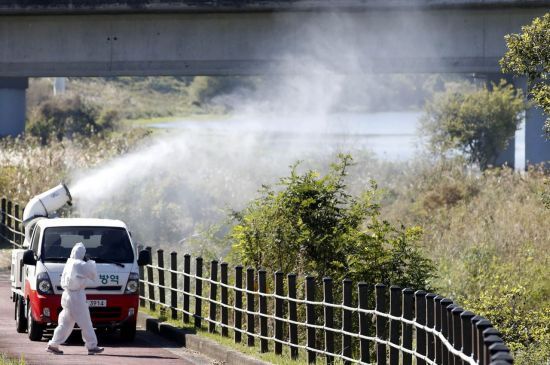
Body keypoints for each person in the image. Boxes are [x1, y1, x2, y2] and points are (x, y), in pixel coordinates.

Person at [46, 242, 104, 355]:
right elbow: (95, 278)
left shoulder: (69, 262)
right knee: (86, 322)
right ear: (82, 253)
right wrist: (90, 262)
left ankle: (53, 345)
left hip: (67, 295)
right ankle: (92, 345)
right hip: (76, 297)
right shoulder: (80, 264)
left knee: (65, 323)